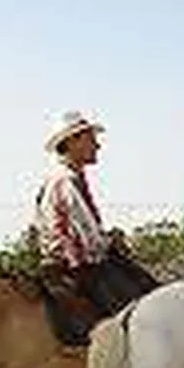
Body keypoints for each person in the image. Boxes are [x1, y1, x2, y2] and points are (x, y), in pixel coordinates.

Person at [33, 110, 159, 317]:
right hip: (80, 268)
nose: (97, 146)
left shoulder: (62, 178)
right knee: (137, 312)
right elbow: (89, 240)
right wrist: (112, 242)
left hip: (67, 264)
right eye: (91, 139)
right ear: (73, 142)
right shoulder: (66, 181)